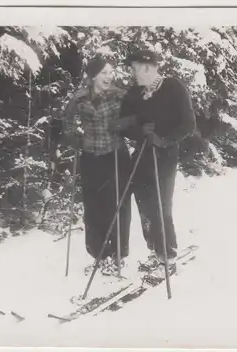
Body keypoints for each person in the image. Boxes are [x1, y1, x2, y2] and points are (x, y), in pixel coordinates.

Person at [116, 50, 196, 278]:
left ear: (147, 68)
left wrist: (164, 140)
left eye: (134, 68)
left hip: (165, 156)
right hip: (142, 153)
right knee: (143, 203)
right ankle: (154, 251)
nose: (132, 74)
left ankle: (168, 257)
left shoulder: (173, 87)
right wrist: (140, 131)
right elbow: (124, 123)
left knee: (160, 205)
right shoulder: (135, 93)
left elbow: (188, 123)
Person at [62, 56, 133, 276]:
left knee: (118, 207)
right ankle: (99, 256)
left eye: (111, 72)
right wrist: (73, 137)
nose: (109, 76)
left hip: (116, 157)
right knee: (94, 209)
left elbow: (136, 119)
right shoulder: (79, 98)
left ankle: (118, 256)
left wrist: (123, 124)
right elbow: (66, 123)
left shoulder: (120, 95)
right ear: (92, 76)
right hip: (91, 159)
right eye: (104, 72)